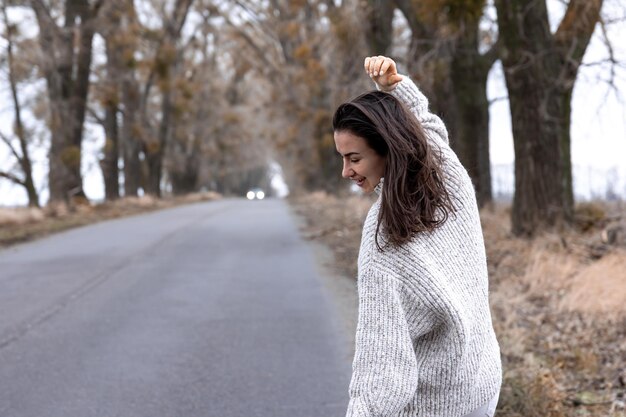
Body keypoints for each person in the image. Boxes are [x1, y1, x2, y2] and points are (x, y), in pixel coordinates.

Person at [332, 56, 502, 417]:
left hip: (436, 405)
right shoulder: (448, 175)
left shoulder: (383, 239)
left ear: (387, 147)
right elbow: (426, 126)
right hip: (481, 383)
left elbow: (381, 364)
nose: (345, 171)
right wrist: (394, 86)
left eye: (354, 158)